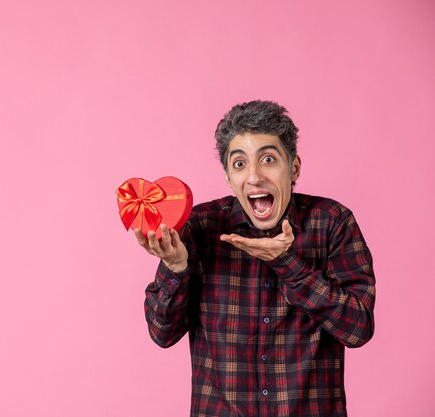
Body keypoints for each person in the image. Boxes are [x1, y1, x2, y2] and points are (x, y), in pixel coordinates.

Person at [134, 100, 376, 417]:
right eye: (239, 164)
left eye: (268, 159)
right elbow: (161, 333)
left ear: (294, 168)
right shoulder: (201, 227)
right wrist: (176, 267)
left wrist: (288, 264)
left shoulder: (332, 222)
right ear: (227, 176)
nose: (254, 177)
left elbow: (357, 329)